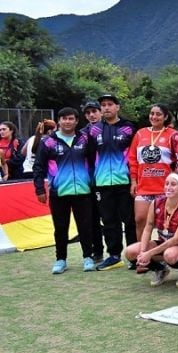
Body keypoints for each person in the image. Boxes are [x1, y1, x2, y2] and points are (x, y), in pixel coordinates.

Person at [32, 107, 96, 274]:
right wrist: (39, 189)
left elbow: (93, 162)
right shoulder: (48, 142)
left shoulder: (85, 139)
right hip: (58, 193)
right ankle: (61, 260)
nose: (67, 122)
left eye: (71, 119)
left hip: (83, 191)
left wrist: (93, 185)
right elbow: (38, 167)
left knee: (85, 226)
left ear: (76, 121)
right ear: (58, 121)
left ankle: (88, 257)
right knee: (60, 228)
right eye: (64, 119)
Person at [87, 94, 137, 271]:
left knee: (130, 220)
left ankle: (134, 256)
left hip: (124, 181)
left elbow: (135, 156)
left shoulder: (129, 128)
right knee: (109, 221)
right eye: (103, 105)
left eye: (110, 104)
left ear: (117, 107)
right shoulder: (93, 130)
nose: (106, 108)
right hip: (102, 183)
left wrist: (134, 180)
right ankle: (114, 256)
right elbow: (88, 156)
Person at [125, 173, 178, 286]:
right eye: (167, 184)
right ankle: (160, 269)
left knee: (170, 255)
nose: (168, 187)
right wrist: (143, 252)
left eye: (173, 184)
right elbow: (148, 228)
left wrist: (149, 253)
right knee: (130, 252)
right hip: (163, 242)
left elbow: (176, 240)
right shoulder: (156, 203)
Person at [129, 104, 177, 240]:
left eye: (158, 114)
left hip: (164, 188)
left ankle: (162, 254)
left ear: (165, 117)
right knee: (140, 220)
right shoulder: (140, 133)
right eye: (152, 113)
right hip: (144, 186)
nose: (154, 117)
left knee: (165, 224)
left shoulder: (173, 134)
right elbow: (133, 159)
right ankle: (141, 253)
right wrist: (133, 181)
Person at [80, 102, 104, 262]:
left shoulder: (111, 129)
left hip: (111, 180)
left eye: (94, 111)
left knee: (111, 218)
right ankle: (98, 252)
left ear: (101, 112)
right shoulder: (81, 133)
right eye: (88, 113)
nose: (91, 115)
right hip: (90, 181)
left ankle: (120, 253)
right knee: (92, 218)